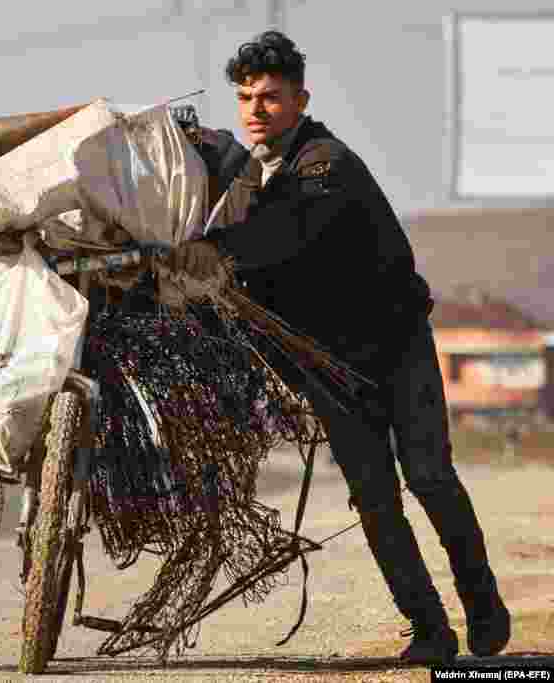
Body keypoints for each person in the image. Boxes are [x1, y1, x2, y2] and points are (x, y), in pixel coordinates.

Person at [166, 30, 510, 664]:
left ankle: (483, 605)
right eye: (244, 98)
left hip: (395, 348)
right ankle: (429, 629)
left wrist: (215, 251)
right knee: (375, 499)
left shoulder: (326, 163)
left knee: (430, 479)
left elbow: (286, 231)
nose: (255, 110)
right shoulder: (254, 174)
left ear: (301, 99)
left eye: (270, 97)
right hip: (329, 367)